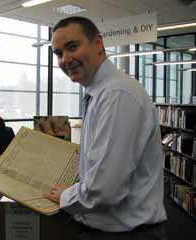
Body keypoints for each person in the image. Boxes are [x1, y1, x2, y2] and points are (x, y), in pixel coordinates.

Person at [43, 16, 167, 239]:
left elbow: (105, 191)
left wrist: (65, 196)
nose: (65, 59)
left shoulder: (116, 95)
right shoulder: (99, 92)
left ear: (98, 43)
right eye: (59, 53)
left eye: (72, 47)